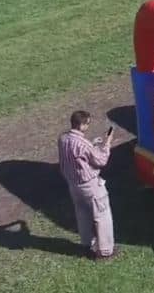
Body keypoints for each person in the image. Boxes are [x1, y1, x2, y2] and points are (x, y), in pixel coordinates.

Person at [57, 111, 116, 260]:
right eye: (88, 123)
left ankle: (86, 244)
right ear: (82, 125)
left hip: (73, 184)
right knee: (102, 215)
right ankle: (105, 251)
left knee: (82, 214)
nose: (88, 126)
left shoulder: (63, 138)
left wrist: (93, 144)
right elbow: (101, 160)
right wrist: (107, 143)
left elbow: (78, 155)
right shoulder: (83, 144)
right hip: (90, 185)